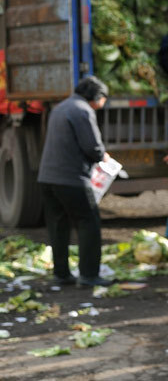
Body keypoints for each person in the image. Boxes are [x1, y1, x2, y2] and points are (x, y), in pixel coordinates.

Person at [37, 76, 113, 287]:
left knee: (58, 225)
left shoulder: (61, 107)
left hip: (47, 178)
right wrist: (103, 156)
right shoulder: (83, 111)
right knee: (88, 222)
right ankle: (89, 275)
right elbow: (92, 147)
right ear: (97, 97)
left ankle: (61, 274)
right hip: (71, 179)